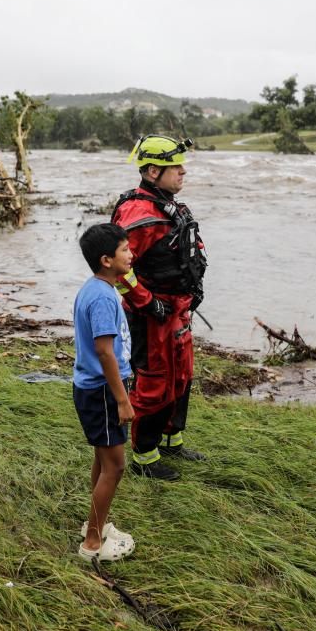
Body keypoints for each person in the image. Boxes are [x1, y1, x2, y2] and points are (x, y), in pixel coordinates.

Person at [111, 135, 208, 481]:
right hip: (153, 316)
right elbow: (117, 267)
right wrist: (148, 303)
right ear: (153, 171)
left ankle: (171, 441)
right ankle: (145, 458)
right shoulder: (138, 213)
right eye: (175, 167)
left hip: (178, 310)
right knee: (155, 383)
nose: (183, 172)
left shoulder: (168, 205)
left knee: (181, 377)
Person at [73, 223, 138, 561]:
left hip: (97, 388)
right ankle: (93, 544)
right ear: (106, 260)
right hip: (103, 391)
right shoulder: (101, 297)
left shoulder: (97, 288)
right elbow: (104, 351)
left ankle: (94, 524)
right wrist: (122, 400)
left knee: (103, 458)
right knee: (115, 466)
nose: (131, 254)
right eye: (125, 249)